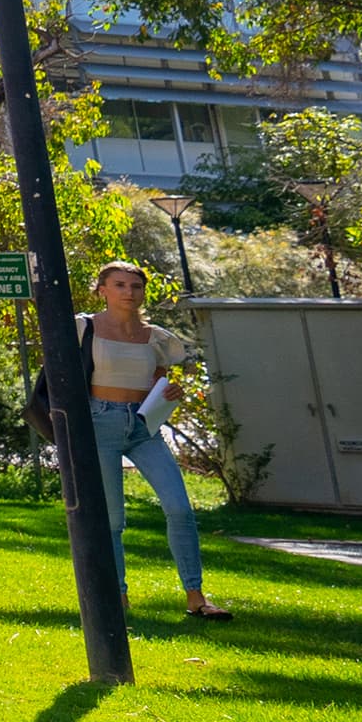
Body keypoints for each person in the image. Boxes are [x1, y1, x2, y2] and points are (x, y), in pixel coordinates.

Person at [84, 261, 230, 620]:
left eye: (135, 286)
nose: (128, 292)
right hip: (99, 421)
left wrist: (168, 393)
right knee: (113, 520)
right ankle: (117, 598)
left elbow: (158, 381)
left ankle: (196, 597)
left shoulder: (157, 337)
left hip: (143, 426)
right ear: (102, 289)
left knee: (180, 508)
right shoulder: (84, 327)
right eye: (119, 285)